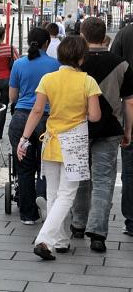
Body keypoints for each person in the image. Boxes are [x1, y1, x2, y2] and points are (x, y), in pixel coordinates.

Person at [17, 35, 102, 260]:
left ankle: (60, 240)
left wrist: (24, 139)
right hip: (75, 143)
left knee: (53, 193)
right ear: (81, 58)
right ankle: (44, 239)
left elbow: (36, 111)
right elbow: (95, 116)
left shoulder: (48, 79)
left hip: (51, 141)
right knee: (67, 195)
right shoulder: (88, 81)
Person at [72, 17, 133, 252]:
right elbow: (129, 102)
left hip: (79, 127)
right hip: (110, 129)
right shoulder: (122, 64)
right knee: (104, 180)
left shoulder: (76, 62)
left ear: (82, 35)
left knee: (79, 176)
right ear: (104, 35)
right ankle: (98, 232)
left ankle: (78, 224)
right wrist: (128, 131)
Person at [7, 27, 60, 225]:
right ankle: (44, 198)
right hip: (47, 119)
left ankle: (28, 214)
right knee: (46, 164)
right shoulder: (56, 65)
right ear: (47, 43)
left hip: (21, 118)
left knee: (24, 167)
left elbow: (12, 96)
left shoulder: (19, 64)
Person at [111, 16, 133, 237]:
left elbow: (114, 66)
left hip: (130, 107)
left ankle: (132, 221)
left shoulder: (125, 33)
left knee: (129, 169)